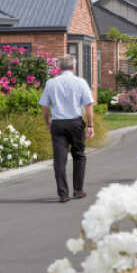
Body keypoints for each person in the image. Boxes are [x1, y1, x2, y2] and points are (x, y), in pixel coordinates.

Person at [39, 55, 95, 203]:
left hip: (58, 123)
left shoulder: (51, 83)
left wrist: (48, 122)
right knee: (79, 155)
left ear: (59, 68)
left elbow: (44, 106)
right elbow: (88, 106)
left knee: (59, 159)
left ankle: (63, 193)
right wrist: (90, 125)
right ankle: (78, 190)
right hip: (75, 123)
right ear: (74, 68)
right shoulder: (80, 82)